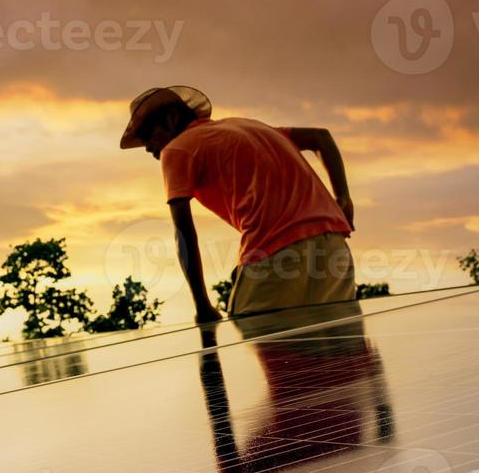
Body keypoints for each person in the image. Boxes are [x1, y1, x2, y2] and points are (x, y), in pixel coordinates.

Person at [120, 85, 356, 322]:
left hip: (274, 252)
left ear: (172, 119)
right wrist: (343, 198)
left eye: (148, 135)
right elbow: (321, 137)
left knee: (256, 334)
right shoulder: (250, 126)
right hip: (334, 245)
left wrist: (202, 305)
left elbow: (183, 234)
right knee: (339, 347)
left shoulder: (176, 149)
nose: (147, 147)